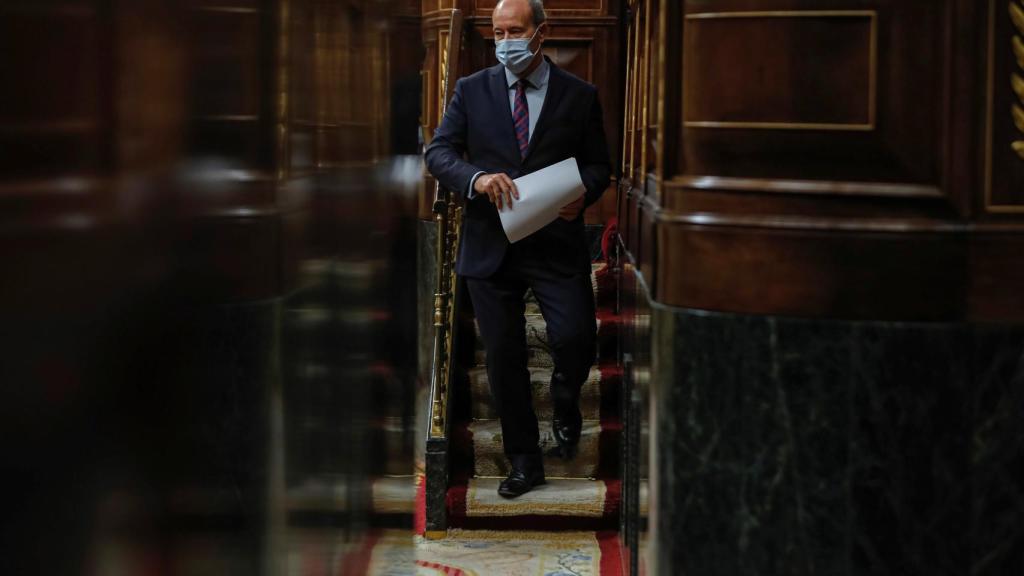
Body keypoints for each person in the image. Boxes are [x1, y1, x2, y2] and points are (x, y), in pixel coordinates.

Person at [425, 0, 612, 498]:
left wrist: (583, 194)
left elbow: (599, 166)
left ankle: (567, 397)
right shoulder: (471, 90)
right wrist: (478, 178)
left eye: (515, 30)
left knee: (574, 338)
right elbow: (439, 152)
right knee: (503, 358)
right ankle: (525, 460)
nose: (504, 39)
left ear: (540, 33)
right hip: (491, 246)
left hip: (556, 243)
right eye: (498, 30)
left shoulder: (579, 94)